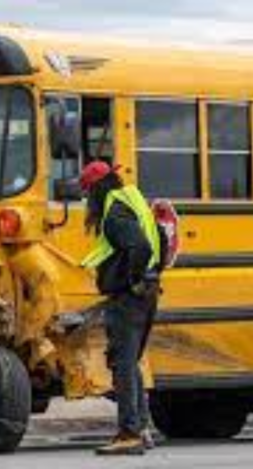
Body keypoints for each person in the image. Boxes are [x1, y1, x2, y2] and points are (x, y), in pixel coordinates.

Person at [79, 161, 162, 456]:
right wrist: (150, 277)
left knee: (122, 363)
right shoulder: (133, 201)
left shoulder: (114, 214)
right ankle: (140, 427)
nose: (88, 202)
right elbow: (159, 240)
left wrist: (132, 279)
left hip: (129, 297)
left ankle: (129, 433)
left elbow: (141, 247)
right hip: (147, 294)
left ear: (96, 191)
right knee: (132, 361)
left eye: (87, 194)